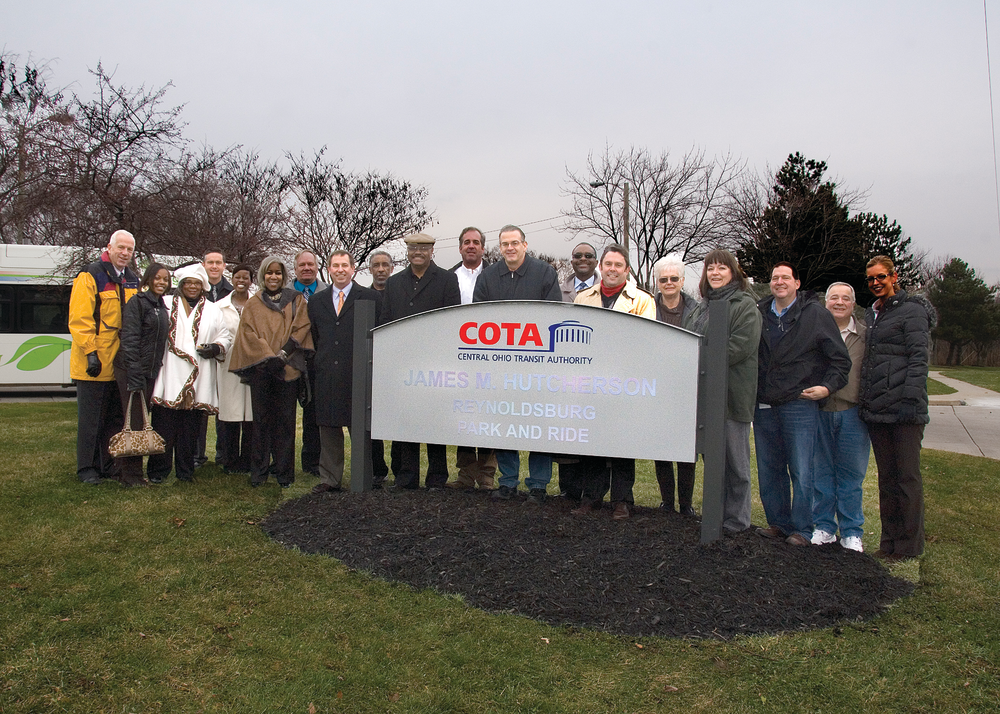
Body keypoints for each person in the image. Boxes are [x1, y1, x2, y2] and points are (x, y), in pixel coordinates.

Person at [754, 262, 852, 546]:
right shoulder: (760, 313)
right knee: (770, 469)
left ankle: (802, 529)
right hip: (765, 403)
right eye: (775, 277)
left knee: (801, 470)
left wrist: (826, 387)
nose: (779, 282)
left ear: (797, 283)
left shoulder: (816, 315)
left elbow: (840, 360)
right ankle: (778, 523)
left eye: (786, 277)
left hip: (799, 404)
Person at [473, 224, 562, 504]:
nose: (509, 248)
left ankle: (538, 484)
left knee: (538, 423)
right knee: (504, 422)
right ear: (499, 248)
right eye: (505, 244)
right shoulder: (488, 277)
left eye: (514, 243)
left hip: (538, 366)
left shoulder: (545, 273)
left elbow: (553, 317)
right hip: (499, 366)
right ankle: (508, 481)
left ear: (525, 244)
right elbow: (479, 319)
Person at [858, 256, 934, 561]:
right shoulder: (873, 313)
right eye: (871, 279)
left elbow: (919, 359)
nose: (876, 283)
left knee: (907, 480)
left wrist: (910, 401)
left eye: (881, 277)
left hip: (905, 412)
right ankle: (889, 542)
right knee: (887, 480)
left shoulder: (912, 311)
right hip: (878, 410)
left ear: (894, 276)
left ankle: (908, 546)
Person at [572, 244, 656, 519]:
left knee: (623, 440)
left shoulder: (642, 300)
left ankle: (622, 500)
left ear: (627, 270)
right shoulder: (583, 298)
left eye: (618, 265)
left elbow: (645, 341)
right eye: (608, 264)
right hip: (591, 380)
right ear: (601, 267)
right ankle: (591, 497)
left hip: (625, 380)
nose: (612, 269)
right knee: (592, 438)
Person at [688, 249, 762, 533]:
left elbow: (741, 346)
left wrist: (702, 360)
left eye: (721, 268)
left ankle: (738, 520)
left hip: (732, 396)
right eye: (710, 268)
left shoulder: (745, 305)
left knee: (736, 464)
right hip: (705, 395)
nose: (715, 273)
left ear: (733, 272)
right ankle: (715, 515)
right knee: (714, 462)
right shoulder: (702, 306)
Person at [379, 233, 461, 489]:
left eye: (423, 248)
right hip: (402, 363)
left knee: (435, 421)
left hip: (434, 362)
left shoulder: (447, 279)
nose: (418, 252)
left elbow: (452, 322)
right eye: (413, 248)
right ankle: (407, 477)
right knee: (405, 420)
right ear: (407, 251)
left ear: (432, 251)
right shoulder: (394, 283)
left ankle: (437, 478)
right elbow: (385, 321)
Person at [229, 256, 314, 488]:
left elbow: (302, 327)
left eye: (277, 273)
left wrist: (283, 354)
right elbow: (248, 333)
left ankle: (284, 472)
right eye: (269, 273)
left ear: (283, 276)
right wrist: (268, 357)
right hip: (262, 370)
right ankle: (259, 472)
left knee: (285, 423)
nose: (273, 277)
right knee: (261, 422)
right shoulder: (253, 303)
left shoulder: (296, 300)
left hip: (288, 369)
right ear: (262, 275)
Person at [147, 264, 232, 484]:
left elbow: (225, 335)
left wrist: (216, 347)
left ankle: (185, 471)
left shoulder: (213, 310)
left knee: (190, 429)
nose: (192, 287)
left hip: (198, 375)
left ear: (203, 286)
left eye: (197, 283)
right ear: (181, 285)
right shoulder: (165, 304)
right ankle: (158, 471)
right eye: (188, 283)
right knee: (163, 426)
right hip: (170, 371)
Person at [68, 229, 139, 485]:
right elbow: (80, 319)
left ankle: (108, 464)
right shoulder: (91, 275)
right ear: (109, 247)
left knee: (114, 419)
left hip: (120, 364)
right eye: (121, 247)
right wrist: (90, 353)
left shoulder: (132, 279)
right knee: (91, 421)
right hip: (94, 363)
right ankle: (87, 468)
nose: (125, 253)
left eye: (129, 249)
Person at [309, 251, 382, 493]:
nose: (340, 270)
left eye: (344, 265)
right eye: (335, 266)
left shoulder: (370, 297)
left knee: (361, 427)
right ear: (329, 269)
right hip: (327, 372)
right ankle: (330, 478)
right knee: (329, 428)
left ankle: (367, 474)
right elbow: (316, 336)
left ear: (353, 269)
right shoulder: (316, 301)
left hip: (358, 372)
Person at [810, 282, 870, 551]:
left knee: (851, 476)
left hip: (852, 413)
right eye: (833, 297)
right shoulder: (813, 332)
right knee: (821, 473)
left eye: (845, 298)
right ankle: (824, 527)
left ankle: (851, 531)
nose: (839, 302)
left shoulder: (866, 336)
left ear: (853, 304)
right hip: (820, 410)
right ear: (826, 303)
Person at [447, 226, 497, 491]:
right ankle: (466, 474)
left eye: (476, 242)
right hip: (459, 354)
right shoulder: (449, 277)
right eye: (466, 242)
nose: (471, 246)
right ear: (460, 247)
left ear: (483, 248)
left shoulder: (495, 275)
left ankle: (487, 474)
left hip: (490, 354)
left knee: (488, 413)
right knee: (464, 412)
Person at [112, 262, 170, 487]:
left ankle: (123, 469)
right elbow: (129, 338)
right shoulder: (137, 302)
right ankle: (131, 476)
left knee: (138, 419)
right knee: (135, 421)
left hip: (150, 371)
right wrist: (134, 372)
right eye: (157, 278)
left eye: (165, 279)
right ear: (148, 279)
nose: (161, 282)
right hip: (131, 369)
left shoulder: (161, 306)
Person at [650, 253, 699, 515]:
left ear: (682, 281)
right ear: (657, 282)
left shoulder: (697, 310)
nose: (668, 283)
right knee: (662, 445)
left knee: (686, 448)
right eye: (663, 279)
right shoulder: (648, 307)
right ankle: (667, 502)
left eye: (673, 278)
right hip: (657, 384)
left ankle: (686, 505)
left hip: (688, 385)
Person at [215, 264, 255, 473]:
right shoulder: (219, 306)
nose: (241, 281)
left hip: (252, 363)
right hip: (228, 364)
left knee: (250, 414)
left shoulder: (257, 304)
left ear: (251, 281)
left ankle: (247, 460)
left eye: (245, 277)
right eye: (237, 277)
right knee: (229, 413)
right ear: (232, 279)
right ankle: (228, 459)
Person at [195, 248, 232, 468]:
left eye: (218, 262)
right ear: (204, 265)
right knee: (199, 405)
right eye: (210, 262)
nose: (214, 266)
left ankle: (222, 453)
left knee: (222, 406)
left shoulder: (231, 290)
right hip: (199, 356)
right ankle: (197, 454)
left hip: (222, 354)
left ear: (224, 266)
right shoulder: (195, 288)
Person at [292, 249, 327, 477]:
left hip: (317, 361)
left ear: (317, 267)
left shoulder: (328, 292)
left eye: (310, 264)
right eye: (302, 265)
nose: (307, 268)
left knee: (314, 414)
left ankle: (313, 461)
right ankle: (280, 462)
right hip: (289, 359)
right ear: (295, 268)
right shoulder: (284, 293)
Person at [367, 249, 394, 481]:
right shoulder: (363, 297)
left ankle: (400, 470)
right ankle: (377, 469)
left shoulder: (399, 294)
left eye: (385, 265)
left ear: (392, 268)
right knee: (371, 420)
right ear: (370, 270)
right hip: (370, 365)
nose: (381, 269)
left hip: (395, 365)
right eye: (376, 265)